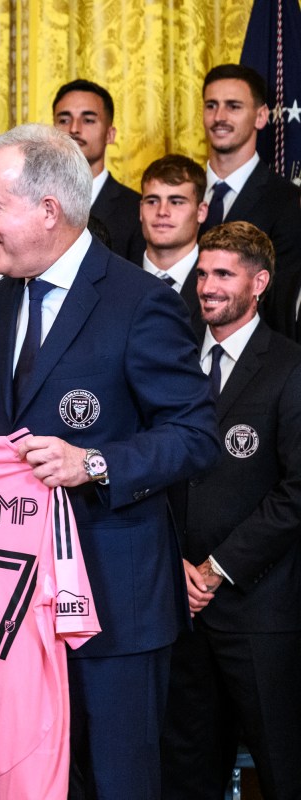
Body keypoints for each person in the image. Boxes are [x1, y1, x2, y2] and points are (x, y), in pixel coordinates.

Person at [0, 123, 217, 800]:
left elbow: (194, 434)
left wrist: (93, 464)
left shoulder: (141, 303)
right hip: (9, 605)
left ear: (48, 210)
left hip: (112, 597)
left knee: (115, 781)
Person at [160, 221, 301, 799]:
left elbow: (296, 491)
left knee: (284, 768)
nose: (207, 286)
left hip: (258, 611)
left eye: (223, 273)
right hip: (180, 609)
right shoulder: (173, 362)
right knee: (187, 774)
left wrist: (216, 569)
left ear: (260, 282)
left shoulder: (290, 367)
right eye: (201, 273)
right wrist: (177, 567)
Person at [200, 64, 301, 341]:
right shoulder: (181, 193)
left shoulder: (286, 200)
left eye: (233, 106)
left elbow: (280, 301)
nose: (219, 117)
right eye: (211, 105)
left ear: (260, 116)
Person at [52, 79, 145, 262]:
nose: (74, 129)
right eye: (64, 120)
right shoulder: (34, 201)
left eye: (88, 120)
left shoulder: (136, 209)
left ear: (110, 134)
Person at [140, 154, 208, 338]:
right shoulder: (114, 280)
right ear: (141, 210)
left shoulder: (221, 287)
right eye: (152, 201)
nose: (162, 212)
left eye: (176, 202)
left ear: (201, 212)